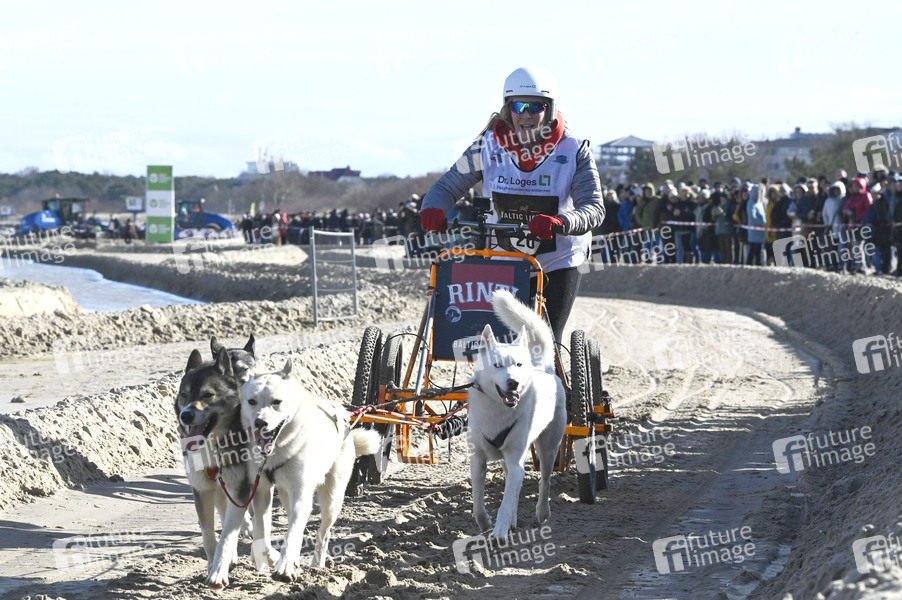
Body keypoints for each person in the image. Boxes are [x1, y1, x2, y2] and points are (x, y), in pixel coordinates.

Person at [419, 66, 604, 345]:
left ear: (550, 109)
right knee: (500, 340)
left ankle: (555, 371)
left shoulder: (574, 150)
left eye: (536, 106)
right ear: (508, 108)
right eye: (519, 106)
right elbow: (447, 186)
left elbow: (594, 207)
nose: (526, 115)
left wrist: (561, 222)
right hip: (504, 258)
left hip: (558, 259)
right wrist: (433, 208)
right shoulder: (486, 146)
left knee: (545, 340)